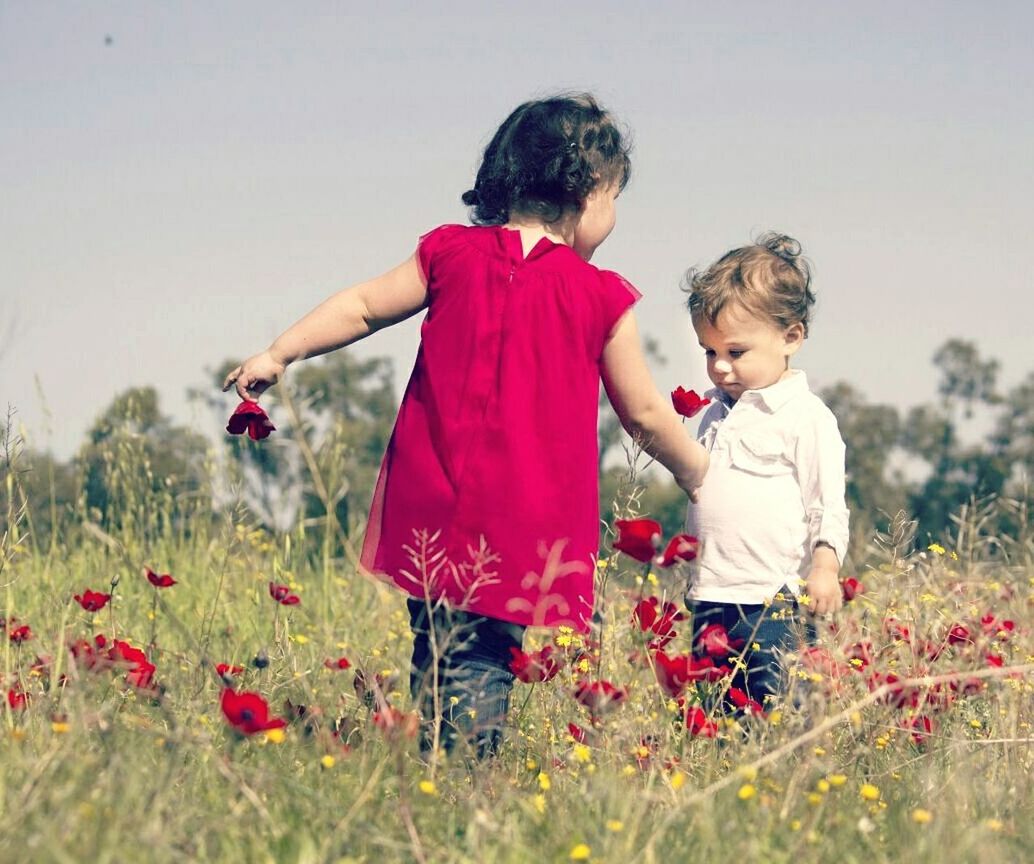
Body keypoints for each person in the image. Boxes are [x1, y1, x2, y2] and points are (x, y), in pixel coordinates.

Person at [223, 94, 709, 756]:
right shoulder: (600, 295)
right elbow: (647, 415)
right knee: (481, 655)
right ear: (587, 190)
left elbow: (363, 306)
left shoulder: (451, 254)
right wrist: (702, 472)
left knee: (440, 640)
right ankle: (462, 782)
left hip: (432, 506)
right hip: (520, 519)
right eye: (615, 195)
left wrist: (280, 351)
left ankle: (437, 767)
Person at [681, 233, 849, 708]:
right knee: (714, 717)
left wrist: (824, 566)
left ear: (791, 337)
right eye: (708, 352)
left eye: (735, 352)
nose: (718, 368)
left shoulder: (805, 416)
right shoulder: (713, 413)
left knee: (776, 712)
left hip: (775, 601)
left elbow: (827, 503)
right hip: (711, 593)